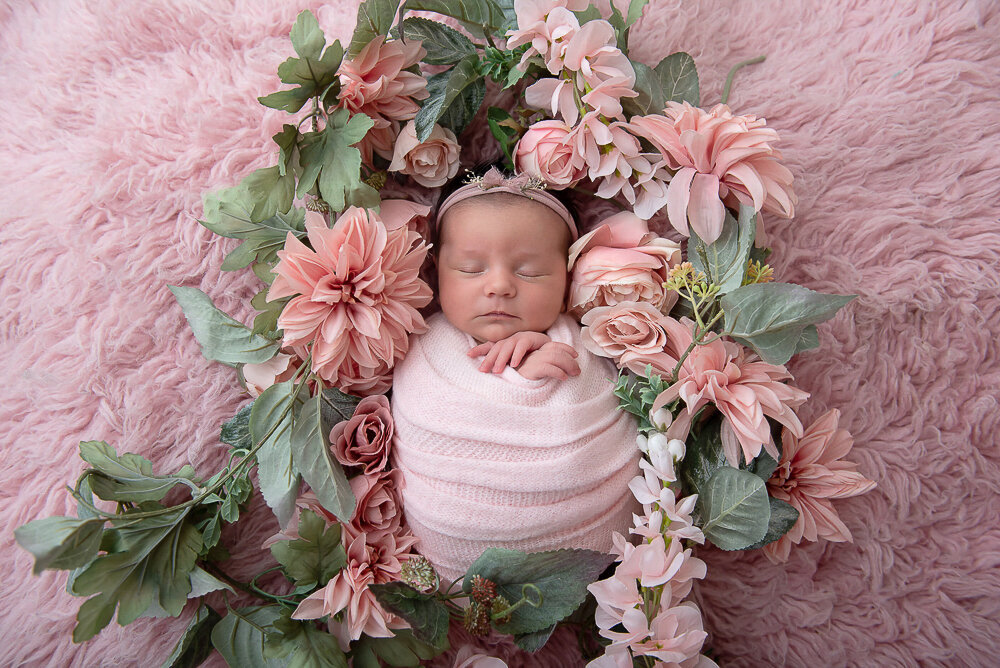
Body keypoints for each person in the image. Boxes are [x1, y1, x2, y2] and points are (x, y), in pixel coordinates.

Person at [390, 169, 639, 583]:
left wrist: (548, 364)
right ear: (436, 273)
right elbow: (420, 420)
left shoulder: (583, 341)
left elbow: (612, 408)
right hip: (449, 548)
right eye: (470, 269)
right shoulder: (422, 350)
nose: (500, 286)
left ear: (566, 280)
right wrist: (503, 375)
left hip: (586, 546)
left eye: (530, 272)